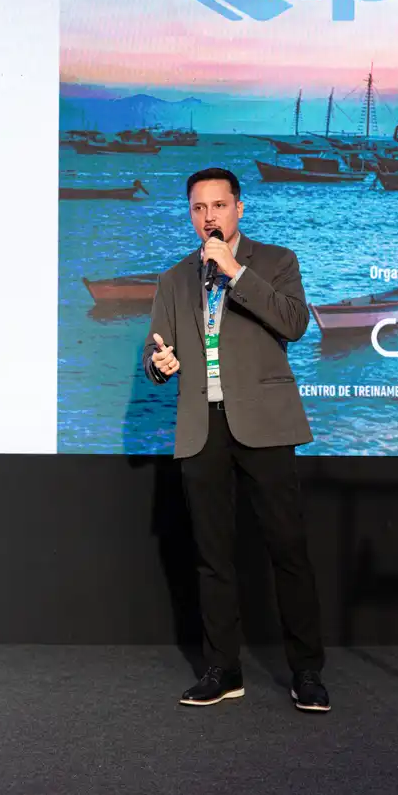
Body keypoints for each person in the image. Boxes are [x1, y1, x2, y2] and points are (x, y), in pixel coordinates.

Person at [142, 167, 328, 712]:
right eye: (199, 209)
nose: (209, 218)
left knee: (287, 549)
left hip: (264, 422)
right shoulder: (174, 278)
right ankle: (222, 669)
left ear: (239, 209)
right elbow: (156, 351)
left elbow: (294, 324)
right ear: (190, 214)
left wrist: (235, 271)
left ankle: (307, 671)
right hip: (202, 425)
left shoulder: (276, 261)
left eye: (219, 206)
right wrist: (159, 364)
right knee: (212, 555)